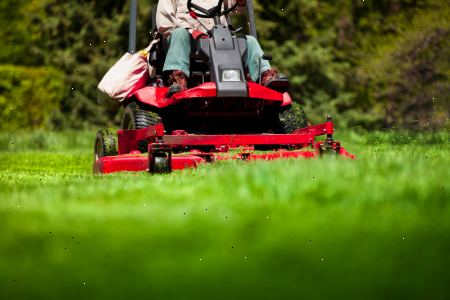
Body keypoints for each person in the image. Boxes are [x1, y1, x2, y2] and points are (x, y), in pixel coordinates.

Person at [156, 0, 282, 97]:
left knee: (249, 40)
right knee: (179, 34)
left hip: (219, 39)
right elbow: (165, 24)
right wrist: (191, 31)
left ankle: (266, 76)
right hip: (188, 42)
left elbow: (237, 7)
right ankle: (178, 80)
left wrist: (240, 2)